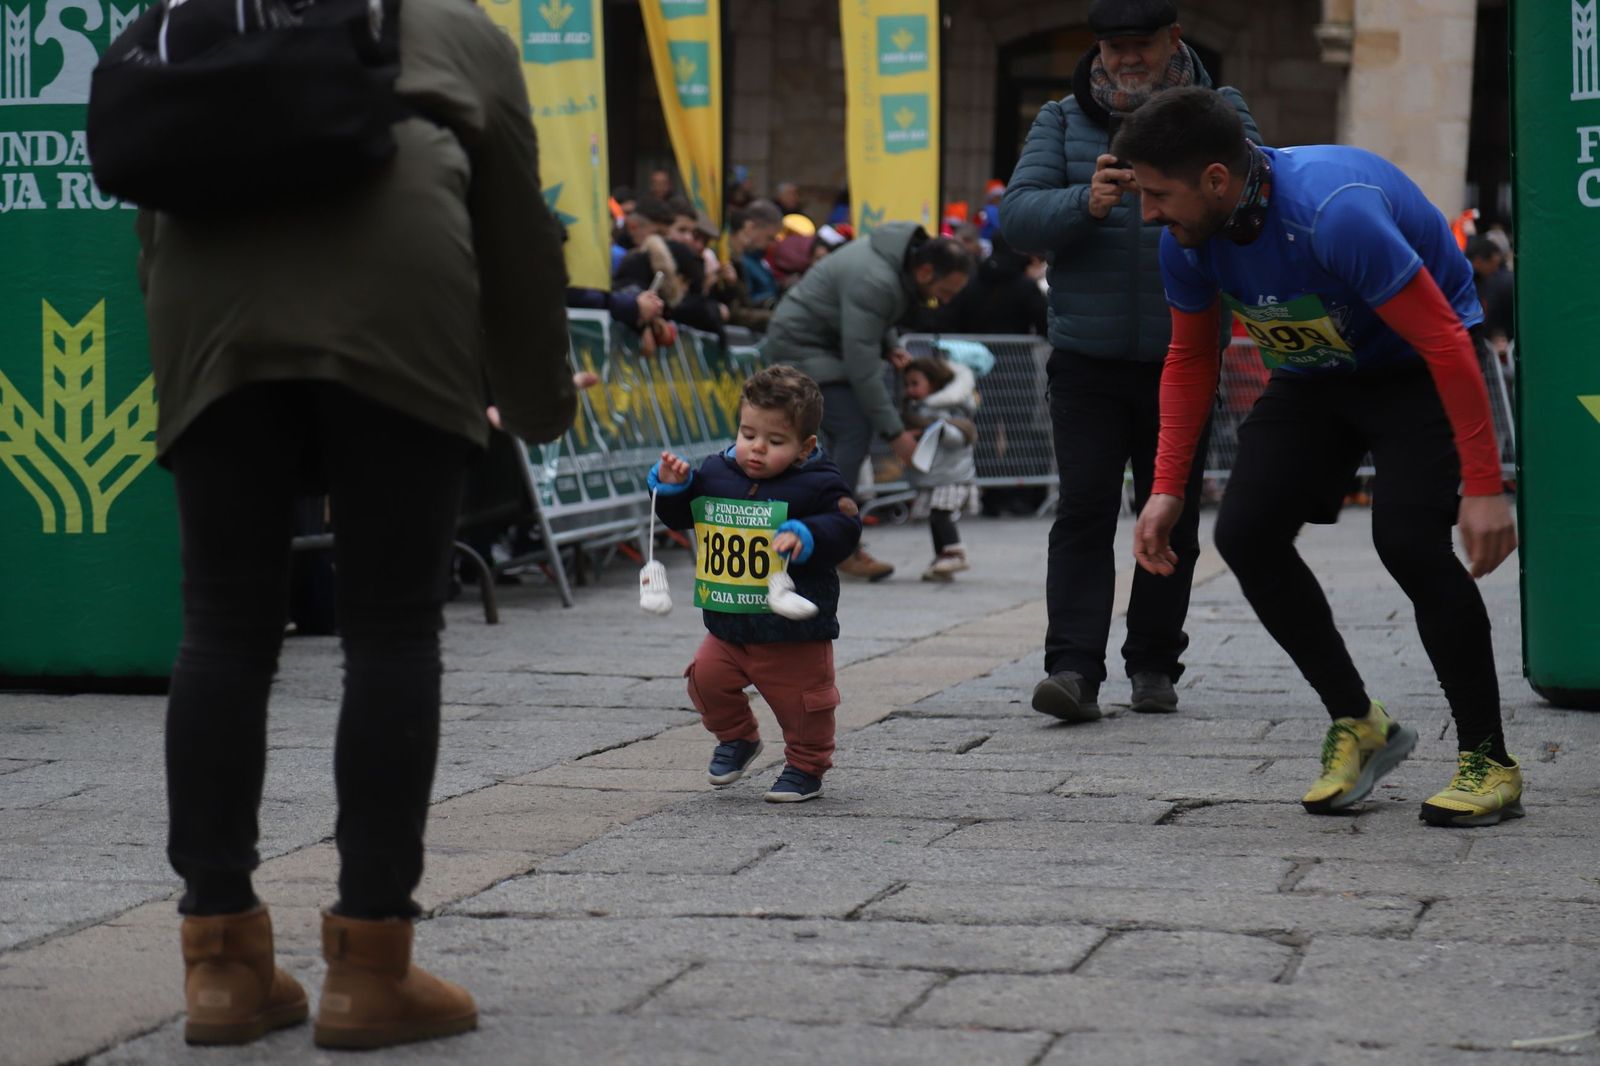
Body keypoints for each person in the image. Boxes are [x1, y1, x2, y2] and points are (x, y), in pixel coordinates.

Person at [135, 0, 576, 1050]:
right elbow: (517, 229)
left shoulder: (192, 17)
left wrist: (192, 374)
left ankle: (222, 965)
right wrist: (541, 399)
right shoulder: (453, 30)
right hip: (400, 300)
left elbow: (150, 219)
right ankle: (370, 966)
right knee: (389, 628)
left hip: (212, 313)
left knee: (224, 629)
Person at [1121, 87, 1523, 827]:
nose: (1147, 212)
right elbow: (1190, 358)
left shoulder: (1334, 213)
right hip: (1316, 375)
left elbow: (1444, 342)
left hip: (1415, 368)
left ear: (1217, 179)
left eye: (1156, 194)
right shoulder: (1188, 237)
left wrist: (1484, 485)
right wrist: (1167, 487)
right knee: (1244, 533)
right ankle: (1361, 724)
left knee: (1406, 540)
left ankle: (1488, 760)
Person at [1001, 0, 1258, 722]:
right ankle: (1073, 670)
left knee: (1168, 512)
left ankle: (1153, 663)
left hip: (1186, 353)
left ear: (1173, 38)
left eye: (1138, 44)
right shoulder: (1061, 118)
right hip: (1086, 357)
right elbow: (1016, 217)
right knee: (1083, 509)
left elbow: (1253, 200)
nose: (1125, 59)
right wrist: (1082, 203)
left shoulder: (1222, 110)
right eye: (1111, 48)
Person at [649, 367, 862, 802]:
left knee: (805, 704)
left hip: (792, 629)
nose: (757, 449)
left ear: (806, 447)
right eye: (748, 434)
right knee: (704, 681)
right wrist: (675, 489)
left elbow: (846, 525)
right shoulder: (716, 471)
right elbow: (682, 517)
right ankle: (737, 738)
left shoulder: (818, 483)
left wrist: (808, 535)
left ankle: (806, 765)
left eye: (775, 441)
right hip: (728, 623)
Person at [761, 223, 974, 581]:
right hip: (801, 348)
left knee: (833, 440)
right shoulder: (877, 279)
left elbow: (872, 319)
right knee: (853, 428)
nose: (946, 300)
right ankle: (837, 541)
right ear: (924, 271)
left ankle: (819, 533)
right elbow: (862, 369)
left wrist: (889, 343)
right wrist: (895, 434)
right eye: (944, 290)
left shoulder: (894, 264)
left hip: (822, 345)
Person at [900, 357, 980, 580]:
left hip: (952, 476)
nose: (910, 390)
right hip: (935, 477)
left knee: (941, 515)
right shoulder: (917, 410)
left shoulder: (950, 408)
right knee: (934, 518)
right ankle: (942, 559)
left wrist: (938, 431)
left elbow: (959, 435)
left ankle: (955, 551)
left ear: (933, 384)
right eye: (907, 385)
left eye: (915, 384)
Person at [712, 199, 785, 333]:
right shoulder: (732, 262)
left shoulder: (752, 261)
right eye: (770, 238)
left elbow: (746, 302)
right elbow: (735, 310)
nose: (746, 242)